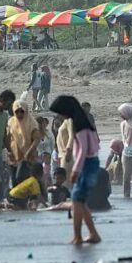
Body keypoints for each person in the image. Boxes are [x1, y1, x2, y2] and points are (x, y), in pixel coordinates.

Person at [49, 95, 102, 245]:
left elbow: (82, 150)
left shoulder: (77, 124)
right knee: (80, 200)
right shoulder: (84, 123)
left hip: (87, 164)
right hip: (91, 162)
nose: (61, 115)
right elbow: (94, 146)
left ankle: (78, 236)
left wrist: (75, 170)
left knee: (77, 199)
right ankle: (93, 234)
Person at [8, 99, 41, 187]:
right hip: (14, 157)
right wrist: (9, 151)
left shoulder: (32, 123)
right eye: (17, 112)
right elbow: (7, 137)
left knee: (21, 178)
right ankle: (18, 200)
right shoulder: (11, 122)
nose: (19, 114)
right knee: (15, 181)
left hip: (27, 157)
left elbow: (37, 139)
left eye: (22, 112)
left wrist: (29, 152)